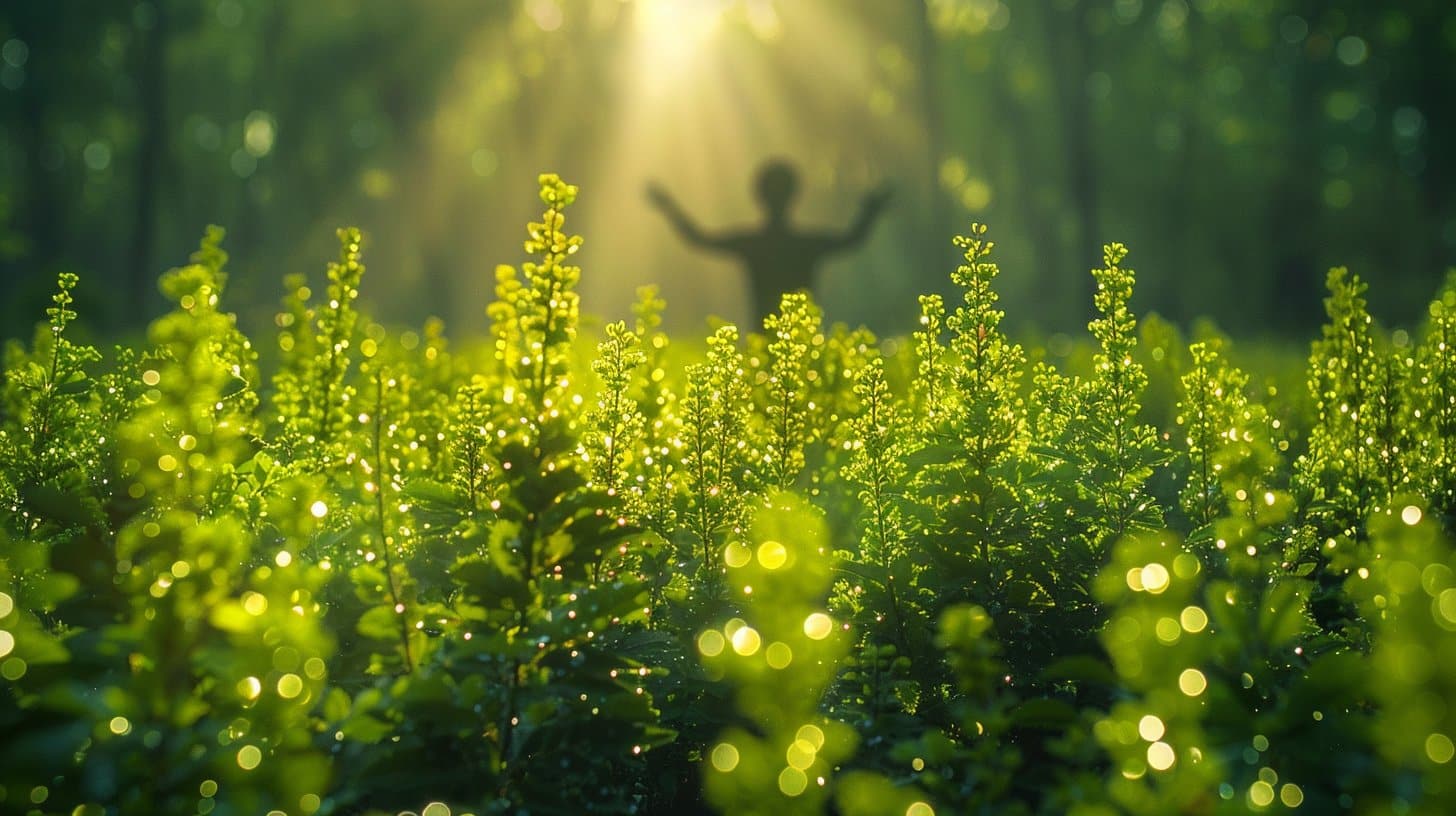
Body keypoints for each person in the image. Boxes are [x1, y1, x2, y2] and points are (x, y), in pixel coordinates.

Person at [647, 160, 892, 324]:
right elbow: (852, 239)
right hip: (804, 349)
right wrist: (870, 211)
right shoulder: (805, 246)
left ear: (757, 195)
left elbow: (699, 239)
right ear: (795, 195)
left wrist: (668, 207)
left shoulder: (753, 244)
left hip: (762, 349)